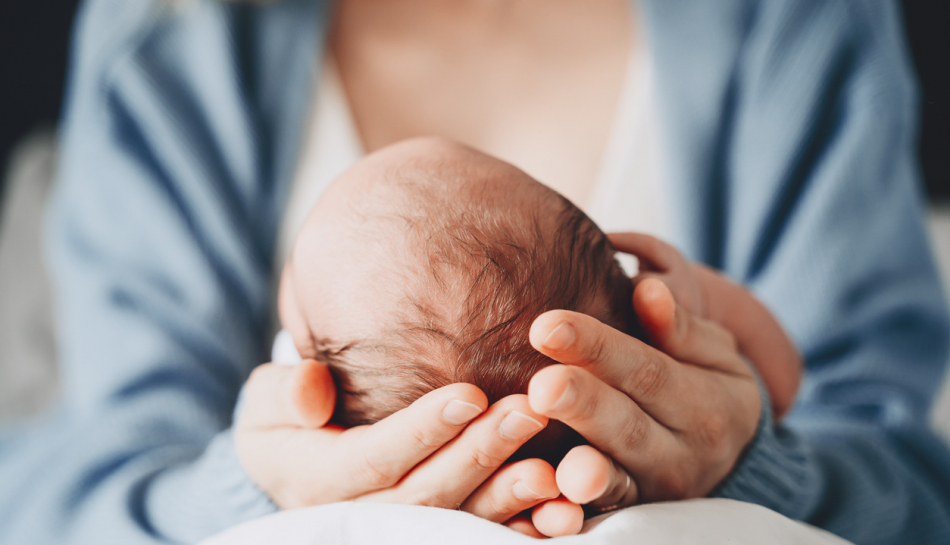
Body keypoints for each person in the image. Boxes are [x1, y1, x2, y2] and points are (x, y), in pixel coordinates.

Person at [1, 0, 949, 544]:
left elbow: (913, 476)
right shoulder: (173, 36)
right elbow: (57, 493)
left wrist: (743, 456)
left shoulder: (789, 24)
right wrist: (259, 489)